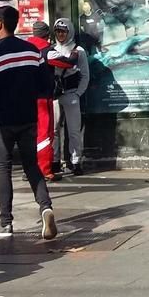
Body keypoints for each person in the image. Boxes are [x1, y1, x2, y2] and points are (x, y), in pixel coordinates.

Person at [0, 5, 70, 239]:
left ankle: (6, 223)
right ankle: (46, 207)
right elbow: (45, 86)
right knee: (31, 165)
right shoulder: (32, 52)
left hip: (4, 120)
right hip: (29, 117)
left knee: (4, 167)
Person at [51, 18, 90, 177]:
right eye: (58, 31)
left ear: (70, 32)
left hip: (71, 93)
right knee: (53, 130)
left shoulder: (78, 50)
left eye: (63, 31)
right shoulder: (51, 50)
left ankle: (75, 161)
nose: (60, 34)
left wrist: (78, 93)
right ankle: (54, 161)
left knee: (74, 130)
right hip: (55, 96)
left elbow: (85, 75)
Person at [24, 21, 59, 182]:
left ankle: (29, 169)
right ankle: (44, 170)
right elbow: (67, 62)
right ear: (47, 35)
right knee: (45, 134)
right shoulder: (47, 50)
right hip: (43, 98)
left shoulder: (23, 48)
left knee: (29, 134)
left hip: (26, 98)